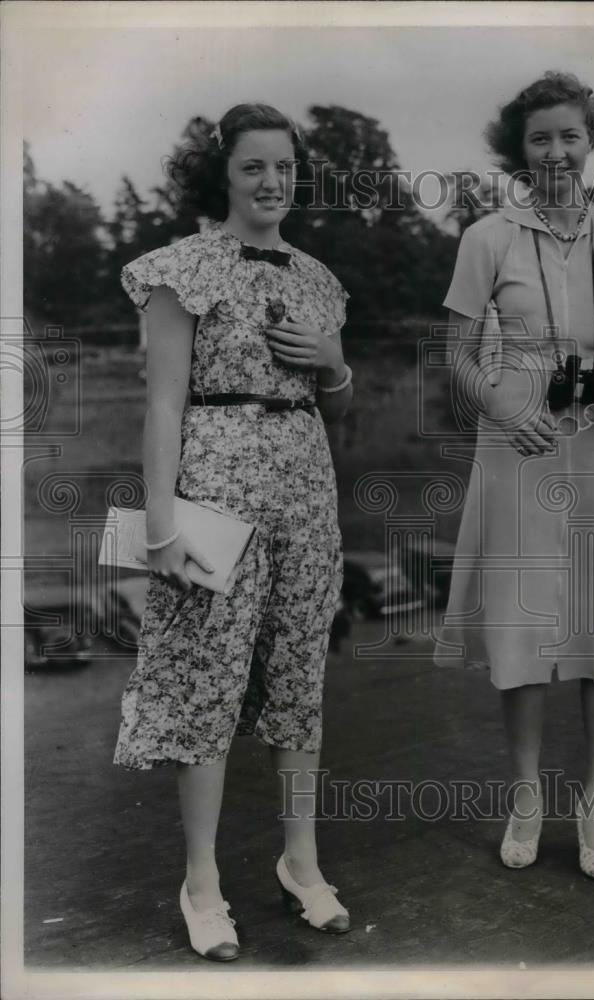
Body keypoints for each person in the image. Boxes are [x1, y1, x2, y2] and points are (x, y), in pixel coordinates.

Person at [113, 103, 354, 960]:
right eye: (254, 166)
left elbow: (338, 404)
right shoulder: (182, 270)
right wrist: (160, 525)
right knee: (205, 678)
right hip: (215, 485)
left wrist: (334, 363)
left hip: (304, 486)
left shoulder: (319, 279)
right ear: (223, 175)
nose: (272, 182)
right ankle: (203, 881)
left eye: (285, 167)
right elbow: (164, 402)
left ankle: (301, 862)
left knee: (297, 672)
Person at [434, 72, 594, 879]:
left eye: (570, 135)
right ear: (518, 152)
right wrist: (501, 407)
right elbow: (456, 356)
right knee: (525, 622)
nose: (557, 152)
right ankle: (527, 793)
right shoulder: (488, 236)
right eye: (539, 139)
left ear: (591, 139)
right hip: (517, 439)